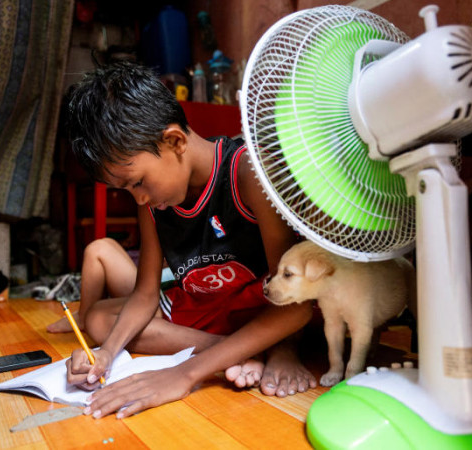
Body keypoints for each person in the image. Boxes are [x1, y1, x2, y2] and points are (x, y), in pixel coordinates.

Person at [64, 62, 317, 419]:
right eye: (126, 190)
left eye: (137, 182)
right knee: (99, 322)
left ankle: (277, 346)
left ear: (175, 141)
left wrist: (184, 373)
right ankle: (241, 350)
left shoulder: (246, 173)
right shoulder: (152, 202)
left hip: (267, 306)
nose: (138, 199)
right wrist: (106, 354)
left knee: (302, 307)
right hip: (211, 310)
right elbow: (145, 294)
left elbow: (296, 303)